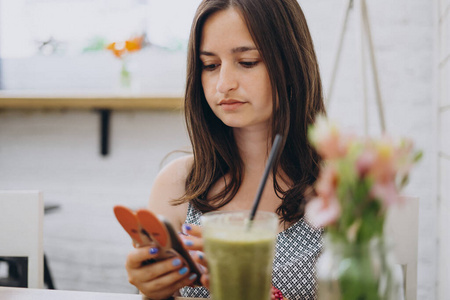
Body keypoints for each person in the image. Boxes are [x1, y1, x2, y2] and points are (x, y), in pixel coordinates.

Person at [125, 0, 325, 299]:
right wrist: (154, 292)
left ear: (291, 63)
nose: (223, 84)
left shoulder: (338, 186)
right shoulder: (178, 184)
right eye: (210, 65)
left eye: (247, 62)